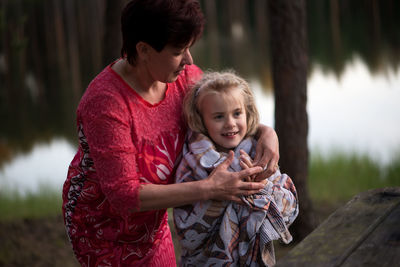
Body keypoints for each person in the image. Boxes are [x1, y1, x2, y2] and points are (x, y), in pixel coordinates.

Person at [62, 0, 280, 266]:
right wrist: (209, 188)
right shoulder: (106, 103)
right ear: (143, 49)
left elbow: (221, 114)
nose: (189, 60)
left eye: (189, 48)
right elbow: (125, 195)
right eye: (179, 51)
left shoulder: (184, 78)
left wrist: (266, 133)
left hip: (154, 226)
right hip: (103, 233)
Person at [174, 71, 299, 266]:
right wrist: (216, 196)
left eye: (237, 113)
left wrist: (262, 187)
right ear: (201, 120)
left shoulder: (257, 154)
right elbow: (188, 236)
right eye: (218, 117)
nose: (230, 123)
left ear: (248, 112)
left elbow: (289, 212)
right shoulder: (191, 163)